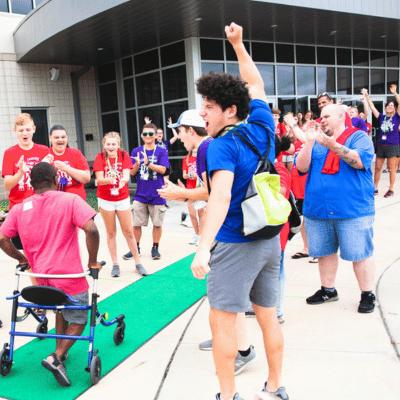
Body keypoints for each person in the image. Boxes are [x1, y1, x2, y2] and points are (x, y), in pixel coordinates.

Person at [190, 22, 288, 400]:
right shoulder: (261, 125)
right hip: (269, 240)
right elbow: (255, 83)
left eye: (209, 107)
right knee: (268, 316)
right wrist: (238, 44)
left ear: (230, 110)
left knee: (222, 323)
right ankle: (275, 387)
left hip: (235, 244)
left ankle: (228, 395)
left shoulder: (220, 146)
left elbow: (219, 197)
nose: (202, 113)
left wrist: (203, 248)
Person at [158, 110, 256, 376]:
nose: (178, 138)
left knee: (226, 295)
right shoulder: (209, 147)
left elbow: (212, 192)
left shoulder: (206, 148)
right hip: (229, 230)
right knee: (220, 294)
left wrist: (180, 193)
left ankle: (243, 350)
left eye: (180, 131)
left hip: (227, 232)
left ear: (191, 130)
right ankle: (223, 334)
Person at [0, 162, 100, 387]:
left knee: (59, 308)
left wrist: (21, 259)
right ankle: (56, 356)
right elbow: (92, 229)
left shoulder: (19, 208)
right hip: (69, 278)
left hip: (40, 283)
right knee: (80, 319)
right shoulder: (70, 200)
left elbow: (2, 238)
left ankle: (60, 352)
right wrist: (93, 261)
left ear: (31, 184)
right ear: (55, 180)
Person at [296, 104, 376, 314]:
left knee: (360, 254)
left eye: (327, 116)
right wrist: (309, 142)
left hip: (352, 210)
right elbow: (301, 167)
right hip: (319, 210)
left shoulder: (359, 137)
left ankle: (367, 293)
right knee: (324, 252)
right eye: (320, 116)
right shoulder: (316, 141)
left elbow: (358, 161)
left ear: (341, 116)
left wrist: (332, 145)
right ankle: (328, 290)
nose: (321, 119)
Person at [93, 132, 146, 277]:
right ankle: (115, 264)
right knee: (111, 232)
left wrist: (123, 180)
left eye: (113, 144)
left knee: (128, 231)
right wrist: (108, 180)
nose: (111, 146)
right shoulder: (99, 157)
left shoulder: (123, 155)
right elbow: (99, 179)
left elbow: (127, 175)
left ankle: (138, 263)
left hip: (122, 198)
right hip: (105, 199)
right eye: (108, 144)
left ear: (118, 145)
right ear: (104, 145)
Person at [124, 123, 169, 260]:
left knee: (157, 224)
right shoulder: (136, 151)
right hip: (140, 195)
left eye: (151, 133)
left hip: (158, 194)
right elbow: (132, 172)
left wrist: (148, 163)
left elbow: (164, 170)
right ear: (141, 136)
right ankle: (135, 248)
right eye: (145, 134)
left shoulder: (161, 151)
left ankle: (155, 248)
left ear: (155, 135)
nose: (148, 136)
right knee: (136, 224)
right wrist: (138, 164)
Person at [363, 85, 400, 197]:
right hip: (381, 145)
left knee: (391, 168)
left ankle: (391, 189)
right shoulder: (381, 117)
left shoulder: (397, 117)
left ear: (395, 108)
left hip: (393, 145)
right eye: (388, 105)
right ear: (385, 108)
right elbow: (372, 107)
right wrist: (366, 95)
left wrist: (395, 93)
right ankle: (375, 188)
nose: (389, 107)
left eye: (392, 105)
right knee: (378, 167)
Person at [49, 125, 90, 200]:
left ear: (67, 138)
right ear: (50, 138)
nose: (60, 139)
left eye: (63, 137)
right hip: (55, 200)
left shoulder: (76, 154)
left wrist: (66, 168)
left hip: (76, 200)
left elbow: (86, 178)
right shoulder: (45, 154)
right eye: (56, 137)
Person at [181, 150, 202, 245]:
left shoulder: (201, 157)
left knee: (201, 214)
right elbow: (184, 175)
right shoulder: (186, 159)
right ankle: (196, 234)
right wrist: (189, 175)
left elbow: (204, 174)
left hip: (200, 188)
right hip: (190, 189)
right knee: (192, 214)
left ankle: (201, 235)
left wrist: (196, 176)